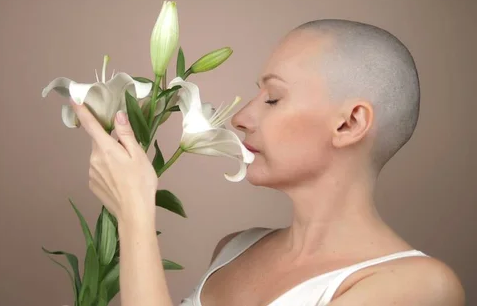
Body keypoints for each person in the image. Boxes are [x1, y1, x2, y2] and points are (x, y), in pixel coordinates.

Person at [70, 19, 465, 306]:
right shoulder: (235, 248)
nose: (240, 119)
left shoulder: (421, 287)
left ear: (349, 123)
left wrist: (135, 215)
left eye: (273, 98)